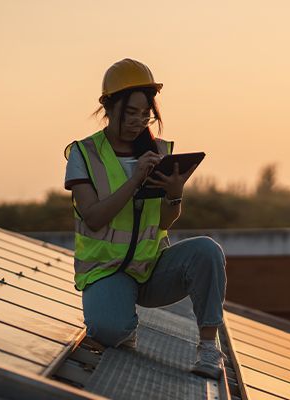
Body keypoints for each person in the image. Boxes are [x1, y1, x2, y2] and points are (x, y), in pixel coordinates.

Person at [63, 58, 228, 379]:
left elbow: (165, 222)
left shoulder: (159, 151)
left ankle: (209, 348)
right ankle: (122, 320)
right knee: (110, 331)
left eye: (145, 113)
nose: (139, 121)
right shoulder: (84, 155)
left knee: (207, 250)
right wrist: (134, 180)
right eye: (131, 112)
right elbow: (94, 218)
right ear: (108, 108)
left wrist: (175, 193)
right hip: (106, 273)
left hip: (151, 268)